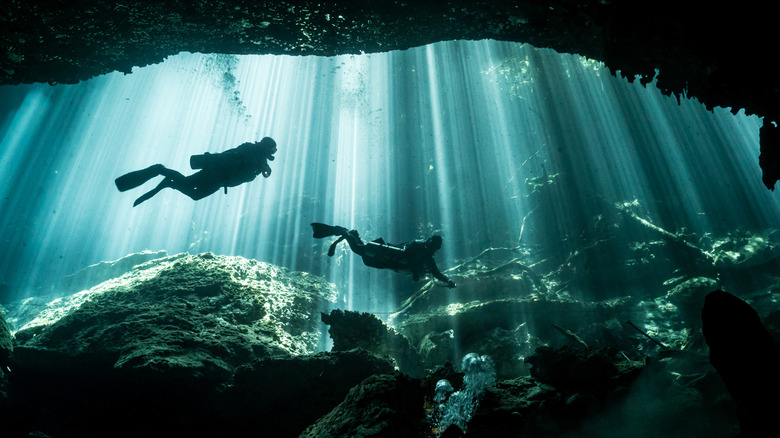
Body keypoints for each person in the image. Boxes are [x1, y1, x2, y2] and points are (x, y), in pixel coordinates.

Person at [115, 137, 277, 206]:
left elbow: (266, 172)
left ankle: (164, 177)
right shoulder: (255, 154)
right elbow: (263, 171)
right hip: (217, 176)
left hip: (217, 175)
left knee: (190, 188)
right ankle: (162, 173)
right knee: (194, 193)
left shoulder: (256, 155)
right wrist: (264, 168)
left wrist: (264, 169)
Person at [311, 222, 456, 288]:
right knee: (357, 249)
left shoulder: (427, 257)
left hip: (382, 259)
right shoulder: (419, 246)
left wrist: (448, 281)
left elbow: (437, 274)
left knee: (358, 248)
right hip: (381, 255)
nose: (433, 248)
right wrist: (416, 272)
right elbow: (406, 252)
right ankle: (342, 232)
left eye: (436, 246)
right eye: (434, 245)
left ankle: (349, 233)